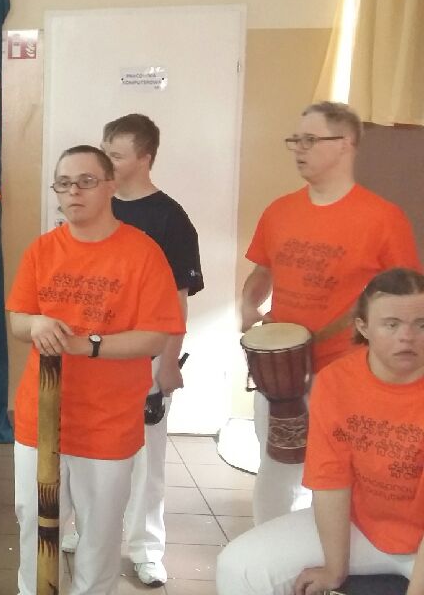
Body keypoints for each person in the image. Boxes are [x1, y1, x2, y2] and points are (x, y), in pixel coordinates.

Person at [8, 146, 184, 595]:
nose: (74, 192)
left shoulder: (142, 253)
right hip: (40, 418)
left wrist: (89, 345)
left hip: (107, 425)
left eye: (86, 181)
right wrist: (37, 324)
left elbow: (155, 336)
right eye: (64, 183)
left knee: (100, 536)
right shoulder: (42, 250)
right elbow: (18, 320)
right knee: (35, 524)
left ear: (110, 186)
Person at [241, 101, 420, 525]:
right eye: (295, 140)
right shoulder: (279, 210)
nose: (299, 149)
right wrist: (249, 307)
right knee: (278, 464)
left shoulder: (383, 218)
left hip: (348, 368)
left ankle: (331, 553)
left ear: (346, 144)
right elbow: (261, 273)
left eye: (310, 139)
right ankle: (271, 550)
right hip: (282, 372)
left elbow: (408, 297)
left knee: (338, 471)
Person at [59, 114, 204, 586]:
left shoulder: (170, 219)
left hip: (144, 356)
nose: (106, 161)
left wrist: (169, 363)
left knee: (146, 459)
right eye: (104, 151)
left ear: (145, 158)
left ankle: (145, 547)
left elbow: (177, 300)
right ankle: (83, 528)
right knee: (84, 452)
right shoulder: (97, 207)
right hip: (91, 356)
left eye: (116, 155)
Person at [218, 268, 424, 595]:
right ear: (363, 327)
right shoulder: (336, 381)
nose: (407, 337)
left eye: (421, 324)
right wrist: (334, 567)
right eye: (392, 324)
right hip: (362, 527)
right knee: (239, 567)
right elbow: (331, 481)